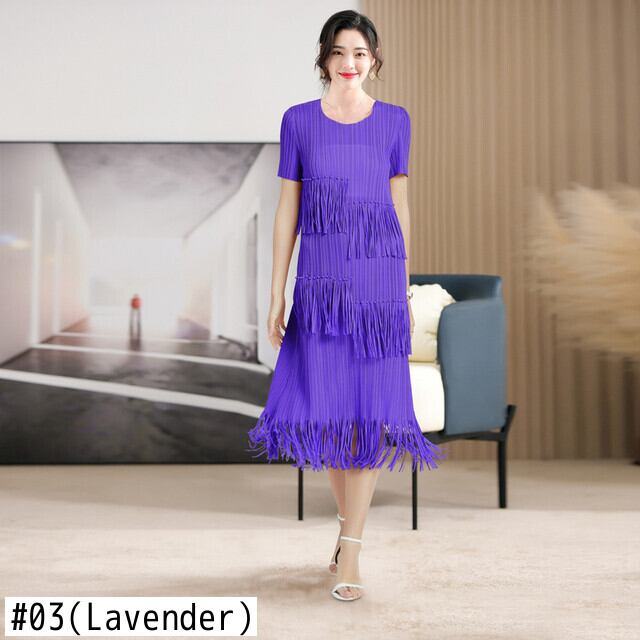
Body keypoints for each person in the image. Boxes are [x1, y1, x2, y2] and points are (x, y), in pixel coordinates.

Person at [246, 9, 447, 602]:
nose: (349, 63)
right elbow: (287, 211)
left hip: (377, 284)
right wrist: (277, 290)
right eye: (339, 52)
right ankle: (345, 533)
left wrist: (402, 287)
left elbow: (399, 207)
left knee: (366, 414)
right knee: (331, 416)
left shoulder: (395, 121)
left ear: (374, 60)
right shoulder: (298, 121)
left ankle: (351, 552)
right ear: (324, 59)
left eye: (360, 53)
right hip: (321, 285)